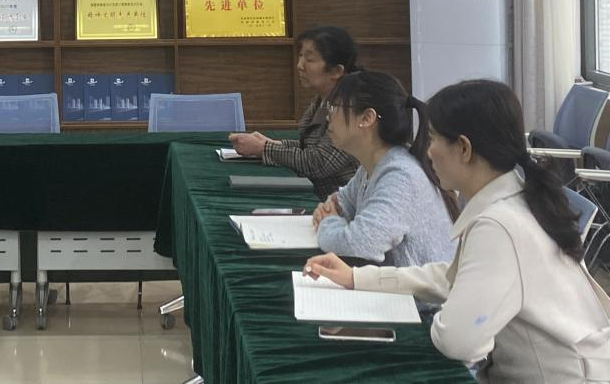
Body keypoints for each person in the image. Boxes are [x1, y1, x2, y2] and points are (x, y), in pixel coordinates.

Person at [304, 80, 610, 382]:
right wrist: (358, 278)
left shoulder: (499, 226)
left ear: (463, 148)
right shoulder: (512, 200)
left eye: (433, 138)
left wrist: (443, 315)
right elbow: (456, 276)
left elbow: (459, 341)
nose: (428, 151)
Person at [312, 70, 457, 267]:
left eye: (334, 107)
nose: (328, 116)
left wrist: (328, 221)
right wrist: (330, 212)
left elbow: (360, 244)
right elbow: (341, 203)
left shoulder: (400, 176)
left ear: (366, 118)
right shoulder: (375, 164)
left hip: (418, 288)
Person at [229, 25, 359, 199]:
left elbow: (319, 163)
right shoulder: (324, 97)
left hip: (341, 204)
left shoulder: (351, 107)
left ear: (336, 71)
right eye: (300, 56)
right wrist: (272, 144)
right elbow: (310, 147)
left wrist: (264, 148)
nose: (299, 66)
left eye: (309, 59)